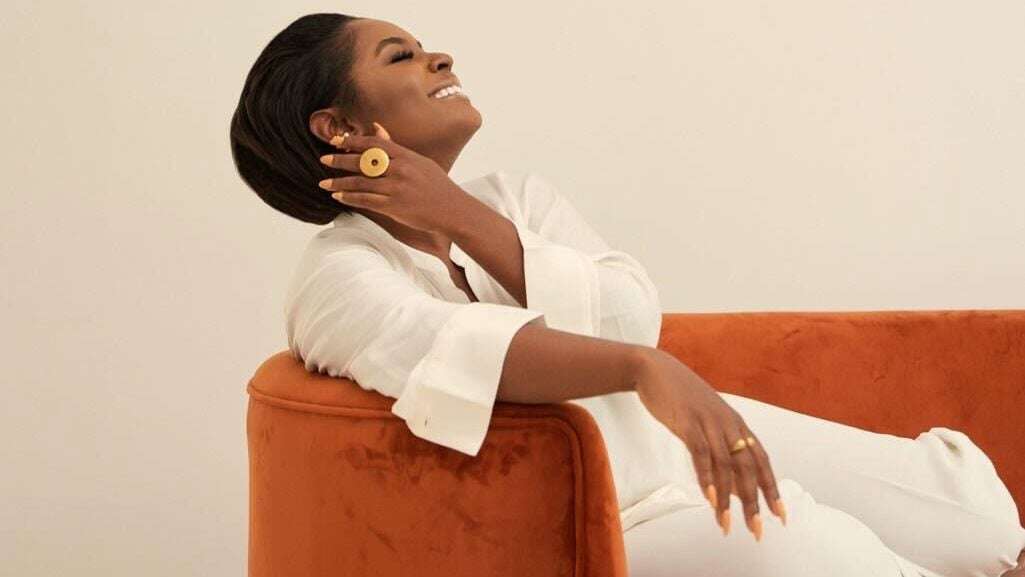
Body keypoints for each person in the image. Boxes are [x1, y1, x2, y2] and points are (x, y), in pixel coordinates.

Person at [229, 13, 1025, 577]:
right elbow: (463, 355)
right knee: (806, 550)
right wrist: (648, 370)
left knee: (963, 510)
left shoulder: (515, 199)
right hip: (600, 516)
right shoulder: (336, 278)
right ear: (339, 129)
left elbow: (628, 313)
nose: (438, 58)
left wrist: (458, 215)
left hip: (659, 445)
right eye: (400, 56)